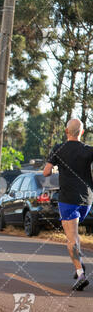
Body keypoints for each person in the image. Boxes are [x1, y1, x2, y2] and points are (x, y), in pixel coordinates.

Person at [43, 118, 93, 291]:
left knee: (71, 238)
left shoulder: (59, 149)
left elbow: (46, 172)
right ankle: (79, 264)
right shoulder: (89, 150)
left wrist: (57, 168)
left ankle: (80, 274)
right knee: (75, 234)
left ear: (66, 131)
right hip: (86, 200)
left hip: (68, 199)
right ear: (82, 132)